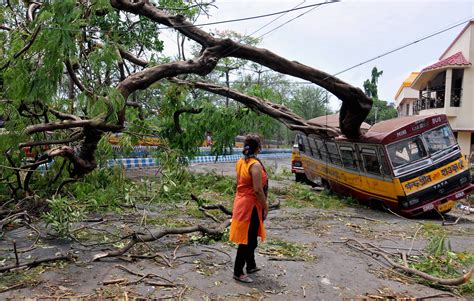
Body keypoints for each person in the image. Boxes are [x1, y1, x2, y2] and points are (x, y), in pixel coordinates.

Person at [229, 134, 269, 283]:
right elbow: (258, 190)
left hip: (242, 202)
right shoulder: (255, 165)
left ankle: (251, 265)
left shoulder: (241, 162)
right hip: (249, 206)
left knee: (251, 238)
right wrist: (266, 207)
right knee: (246, 239)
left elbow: (239, 184)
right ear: (258, 147)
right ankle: (238, 272)